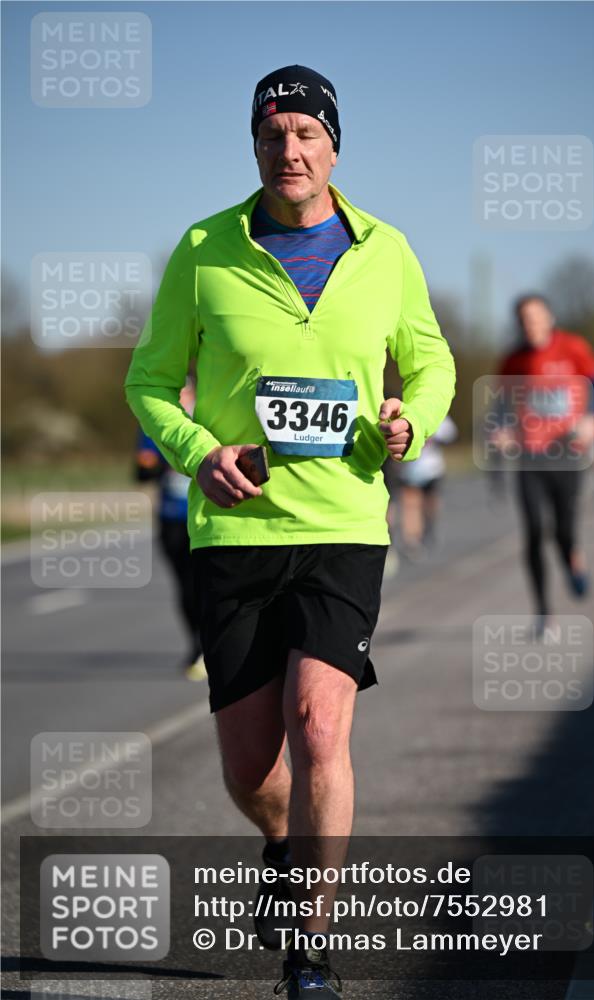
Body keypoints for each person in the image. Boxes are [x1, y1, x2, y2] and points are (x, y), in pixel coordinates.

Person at [125, 64, 456, 998]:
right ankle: (281, 842)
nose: (289, 149)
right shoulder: (204, 247)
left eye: (306, 133)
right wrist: (197, 451)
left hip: (344, 524)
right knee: (250, 766)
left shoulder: (384, 250)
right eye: (272, 134)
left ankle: (309, 948)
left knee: (320, 725)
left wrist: (409, 422)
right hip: (234, 533)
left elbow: (429, 362)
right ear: (255, 145)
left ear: (334, 144)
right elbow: (147, 382)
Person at [495, 294, 594, 631]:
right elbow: (501, 402)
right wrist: (500, 429)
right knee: (532, 532)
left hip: (566, 453)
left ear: (549, 317)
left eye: (536, 317)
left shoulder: (572, 347)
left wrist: (592, 418)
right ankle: (544, 613)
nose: (531, 324)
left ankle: (573, 557)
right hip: (530, 454)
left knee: (563, 530)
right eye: (524, 319)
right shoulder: (513, 360)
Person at [134, 377, 206, 681]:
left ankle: (208, 647)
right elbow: (140, 472)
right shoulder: (157, 424)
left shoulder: (209, 417)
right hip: (172, 515)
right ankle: (196, 644)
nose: (180, 397)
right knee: (186, 588)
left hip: (205, 515)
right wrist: (159, 464)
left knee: (207, 584)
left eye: (184, 391)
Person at [396, 415, 458, 558]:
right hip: (409, 471)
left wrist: (434, 436)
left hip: (432, 469)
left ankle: (430, 526)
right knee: (410, 506)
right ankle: (412, 541)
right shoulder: (403, 413)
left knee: (431, 504)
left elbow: (451, 434)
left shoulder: (436, 412)